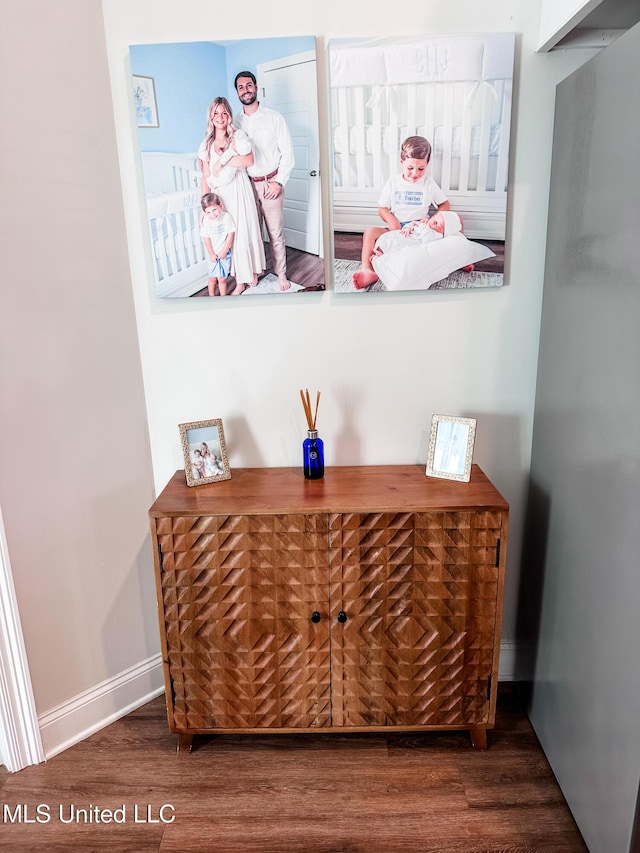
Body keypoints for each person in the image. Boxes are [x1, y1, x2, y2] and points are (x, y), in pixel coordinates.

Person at [352, 135, 450, 290]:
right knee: (370, 232)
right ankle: (367, 270)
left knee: (450, 231)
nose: (415, 173)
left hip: (419, 231)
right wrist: (393, 222)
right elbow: (382, 208)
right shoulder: (393, 182)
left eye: (421, 169)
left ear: (427, 164)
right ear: (401, 161)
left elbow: (444, 204)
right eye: (410, 168)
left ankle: (458, 260)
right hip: (396, 229)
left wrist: (433, 220)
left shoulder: (428, 184)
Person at [234, 71, 295, 291]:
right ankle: (254, 273)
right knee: (251, 232)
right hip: (246, 184)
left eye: (248, 85)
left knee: (275, 233)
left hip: (271, 183)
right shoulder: (235, 122)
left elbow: (288, 154)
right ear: (237, 92)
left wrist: (279, 183)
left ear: (256, 87)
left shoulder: (274, 117)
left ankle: (281, 274)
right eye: (241, 87)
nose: (245, 90)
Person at [198, 96, 265, 296]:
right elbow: (205, 176)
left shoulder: (237, 137)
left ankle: (245, 278)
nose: (220, 117)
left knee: (242, 232)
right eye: (216, 113)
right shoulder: (206, 144)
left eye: (224, 112)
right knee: (227, 236)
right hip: (220, 195)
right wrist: (204, 207)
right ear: (211, 116)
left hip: (239, 188)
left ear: (229, 115)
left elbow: (250, 160)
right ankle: (237, 277)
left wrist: (227, 161)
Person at [200, 193, 235, 296]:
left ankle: (223, 298)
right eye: (208, 212)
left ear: (220, 206)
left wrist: (224, 251)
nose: (212, 214)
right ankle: (212, 297)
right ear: (205, 213)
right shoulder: (206, 221)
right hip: (212, 254)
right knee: (213, 278)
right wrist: (211, 254)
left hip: (224, 253)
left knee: (222, 279)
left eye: (214, 210)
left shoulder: (227, 218)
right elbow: (206, 239)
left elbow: (230, 234)